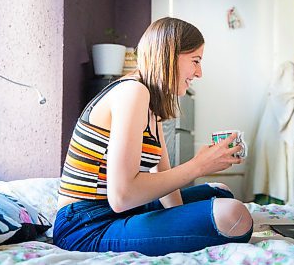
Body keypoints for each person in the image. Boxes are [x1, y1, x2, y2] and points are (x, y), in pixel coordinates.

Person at [53, 17, 253, 256]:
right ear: (169, 56)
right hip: (85, 225)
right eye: (195, 61)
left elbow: (163, 177)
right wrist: (198, 166)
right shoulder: (132, 92)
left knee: (220, 191)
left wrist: (179, 220)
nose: (199, 72)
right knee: (234, 214)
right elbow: (122, 196)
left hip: (117, 211)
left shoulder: (150, 102)